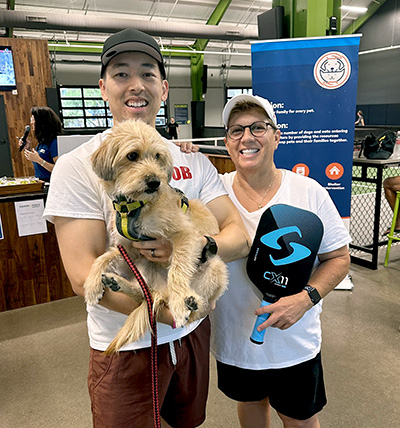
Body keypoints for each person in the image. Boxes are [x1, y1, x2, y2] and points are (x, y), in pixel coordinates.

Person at [43, 28, 250, 428]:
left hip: (192, 333)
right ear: (103, 88)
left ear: (165, 89)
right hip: (125, 346)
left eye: (148, 74)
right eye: (121, 74)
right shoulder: (78, 165)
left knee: (189, 422)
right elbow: (82, 275)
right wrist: (165, 312)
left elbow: (236, 235)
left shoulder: (193, 163)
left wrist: (192, 250)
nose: (136, 85)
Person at [209, 94, 351, 428]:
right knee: (251, 408)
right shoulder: (213, 193)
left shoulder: (309, 191)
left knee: (300, 420)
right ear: (227, 142)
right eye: (236, 130)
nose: (247, 137)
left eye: (258, 127)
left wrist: (305, 300)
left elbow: (339, 258)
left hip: (294, 344)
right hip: (234, 341)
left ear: (277, 136)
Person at [19, 106, 62, 182]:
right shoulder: (42, 142)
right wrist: (27, 148)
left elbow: (59, 169)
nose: (31, 122)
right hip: (40, 182)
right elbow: (37, 161)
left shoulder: (54, 142)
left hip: (51, 184)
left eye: (33, 119)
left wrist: (39, 160)